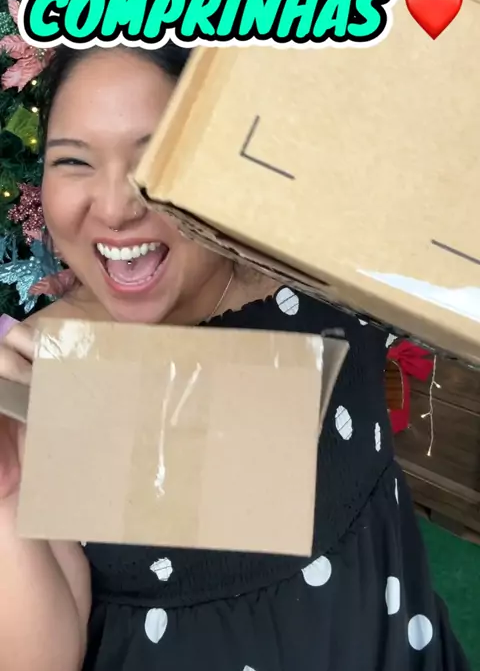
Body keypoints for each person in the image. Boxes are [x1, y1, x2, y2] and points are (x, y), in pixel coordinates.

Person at [0, 42, 470, 671]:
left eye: (155, 157)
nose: (113, 207)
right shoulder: (39, 373)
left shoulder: (320, 278)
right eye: (74, 162)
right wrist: (6, 489)